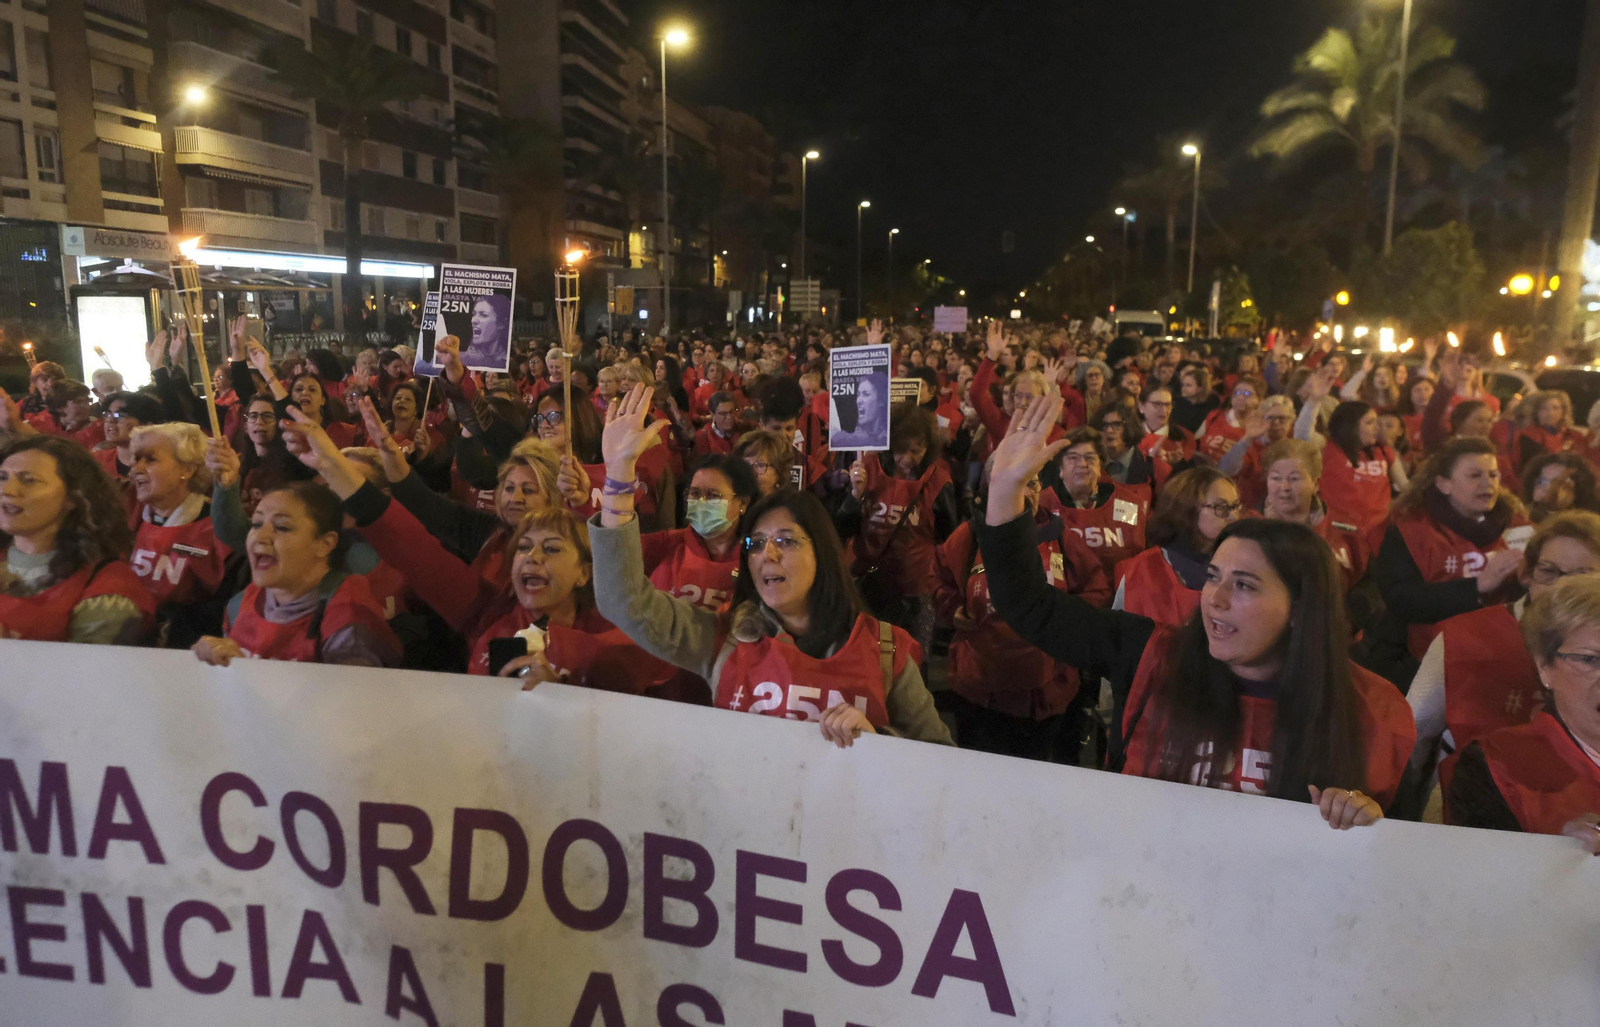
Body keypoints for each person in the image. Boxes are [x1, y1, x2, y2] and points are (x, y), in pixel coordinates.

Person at [976, 391, 1414, 821]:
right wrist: (1005, 491)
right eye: (1212, 577)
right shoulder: (1152, 654)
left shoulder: (1370, 708)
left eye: (1244, 585)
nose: (1215, 601)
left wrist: (1371, 819)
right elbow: (1027, 604)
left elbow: (1397, 851)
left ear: (1301, 607)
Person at [589, 385, 952, 746]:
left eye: (787, 540)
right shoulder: (724, 640)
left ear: (822, 553)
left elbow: (942, 759)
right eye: (757, 543)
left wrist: (878, 739)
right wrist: (619, 477)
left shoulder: (887, 652)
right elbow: (624, 601)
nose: (768, 554)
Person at [280, 407, 672, 686]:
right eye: (522, 549)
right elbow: (404, 541)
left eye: (551, 549)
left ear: (586, 570)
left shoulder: (613, 635)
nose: (532, 558)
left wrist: (569, 683)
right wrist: (330, 464)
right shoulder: (485, 613)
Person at [1409, 511, 1600, 811]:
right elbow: (1413, 734)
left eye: (1582, 576)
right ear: (1526, 573)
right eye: (1549, 571)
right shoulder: (1464, 637)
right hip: (1475, 801)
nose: (1560, 587)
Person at [936, 470, 1109, 760]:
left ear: (1041, 488)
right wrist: (952, 609)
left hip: (1045, 694)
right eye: (1010, 483)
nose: (1023, 492)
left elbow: (1096, 589)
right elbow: (939, 578)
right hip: (979, 690)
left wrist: (1063, 623)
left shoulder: (1060, 537)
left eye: (1030, 483)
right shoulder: (970, 535)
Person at [1444, 573, 1600, 853]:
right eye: (1590, 660)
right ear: (1544, 666)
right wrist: (1554, 852)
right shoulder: (1493, 765)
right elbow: (1480, 881)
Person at [1369, 437, 1531, 686]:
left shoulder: (1518, 528)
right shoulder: (1410, 531)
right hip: (1423, 661)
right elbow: (1400, 598)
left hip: (1500, 655)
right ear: (1444, 484)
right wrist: (1475, 586)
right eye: (1475, 475)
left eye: (1494, 474)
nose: (1488, 483)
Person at [192, 481, 402, 667]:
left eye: (282, 527)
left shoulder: (350, 617)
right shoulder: (242, 603)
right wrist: (215, 659)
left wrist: (251, 673)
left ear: (325, 544)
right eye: (256, 524)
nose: (260, 536)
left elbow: (350, 705)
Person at [0, 435, 152, 643]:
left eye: (29, 480)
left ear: (73, 497)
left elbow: (91, 673)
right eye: (2, 477)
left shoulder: (108, 592)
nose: (6, 490)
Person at [840, 403, 959, 661]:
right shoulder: (867, 469)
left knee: (912, 660)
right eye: (900, 450)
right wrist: (854, 495)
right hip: (867, 580)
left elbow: (949, 536)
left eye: (916, 451)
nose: (907, 459)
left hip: (915, 587)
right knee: (868, 656)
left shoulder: (938, 481)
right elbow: (841, 528)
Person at [1114, 466, 1241, 626]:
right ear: (1187, 510)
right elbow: (1119, 634)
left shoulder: (1242, 565)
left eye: (1235, 506)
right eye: (1221, 507)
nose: (1233, 516)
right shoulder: (1145, 569)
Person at [1040, 426, 1148, 578]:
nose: (1083, 464)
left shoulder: (1127, 503)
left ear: (1099, 465)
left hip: (1118, 596)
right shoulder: (1043, 506)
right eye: (1073, 457)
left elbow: (1136, 556)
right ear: (1060, 468)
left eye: (1090, 457)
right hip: (1064, 597)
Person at [1258, 439, 1366, 589]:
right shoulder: (1249, 527)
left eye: (1294, 478)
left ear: (1315, 484)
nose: (1284, 487)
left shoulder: (1346, 529)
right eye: (1276, 478)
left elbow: (1368, 585)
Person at [1298, 391, 1406, 536]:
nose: (1376, 427)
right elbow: (1302, 433)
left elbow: (1407, 489)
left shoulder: (1385, 452)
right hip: (1337, 532)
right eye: (1369, 422)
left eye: (1376, 422)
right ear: (1350, 426)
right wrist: (1314, 400)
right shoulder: (1329, 447)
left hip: (1377, 535)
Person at [1217, 395, 1295, 510]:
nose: (1276, 423)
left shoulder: (1295, 448)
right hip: (1252, 510)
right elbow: (1224, 470)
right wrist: (1247, 439)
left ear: (1291, 421)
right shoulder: (1251, 446)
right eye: (1270, 418)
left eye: (1282, 418)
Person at [1195, 376, 1263, 465]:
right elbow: (1195, 444)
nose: (1240, 397)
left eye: (1247, 394)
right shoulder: (1214, 416)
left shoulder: (1260, 429)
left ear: (1260, 400)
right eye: (1237, 393)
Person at [1517, 390, 1586, 470]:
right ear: (1536, 412)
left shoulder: (1573, 435)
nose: (1550, 413)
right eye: (1544, 408)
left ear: (1563, 411)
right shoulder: (1529, 436)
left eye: (1555, 408)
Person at [1524, 452, 1600, 523]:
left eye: (1558, 483)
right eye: (1541, 482)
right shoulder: (1521, 522)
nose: (1547, 488)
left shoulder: (1589, 526)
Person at [1135, 384, 1196, 468]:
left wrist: (1177, 464)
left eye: (1167, 405)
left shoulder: (1185, 437)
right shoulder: (1129, 435)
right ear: (1141, 406)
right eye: (1157, 404)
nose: (1164, 410)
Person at [831, 372, 889, 450]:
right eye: (858, 395)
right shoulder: (841, 440)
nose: (858, 401)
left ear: (881, 400)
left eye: (866, 394)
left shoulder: (889, 439)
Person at [733, 429, 793, 496]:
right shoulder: (730, 502)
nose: (751, 471)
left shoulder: (788, 505)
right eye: (745, 464)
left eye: (760, 465)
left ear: (779, 471)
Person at [460, 294, 511, 369]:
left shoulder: (509, 361)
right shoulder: (463, 358)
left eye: (483, 315)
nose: (473, 320)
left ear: (501, 323)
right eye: (473, 314)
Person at [692, 391, 743, 459]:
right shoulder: (703, 436)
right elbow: (705, 465)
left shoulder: (743, 428)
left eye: (731, 412)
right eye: (723, 413)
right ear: (713, 415)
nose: (729, 417)